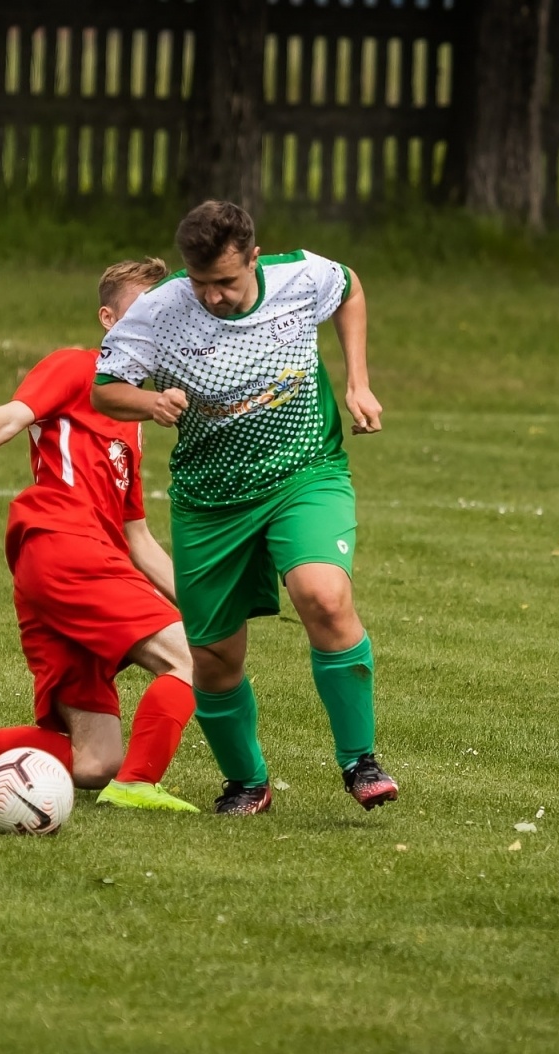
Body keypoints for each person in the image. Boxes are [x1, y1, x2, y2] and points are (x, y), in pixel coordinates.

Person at [93, 200, 397, 816]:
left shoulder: (299, 276)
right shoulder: (159, 310)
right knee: (214, 657)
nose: (213, 296)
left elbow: (350, 288)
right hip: (211, 502)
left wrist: (357, 381)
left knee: (324, 596)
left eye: (227, 282)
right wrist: (149, 404)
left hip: (302, 472)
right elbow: (105, 390)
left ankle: (360, 760)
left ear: (254, 259)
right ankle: (247, 783)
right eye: (201, 282)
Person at [0, 258, 200, 812]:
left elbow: (139, 541)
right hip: (64, 545)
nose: (156, 324)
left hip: (70, 566)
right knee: (192, 657)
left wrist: (203, 601)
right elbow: (10, 418)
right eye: (143, 311)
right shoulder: (77, 367)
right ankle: (139, 784)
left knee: (93, 762)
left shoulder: (134, 419)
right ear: (108, 319)